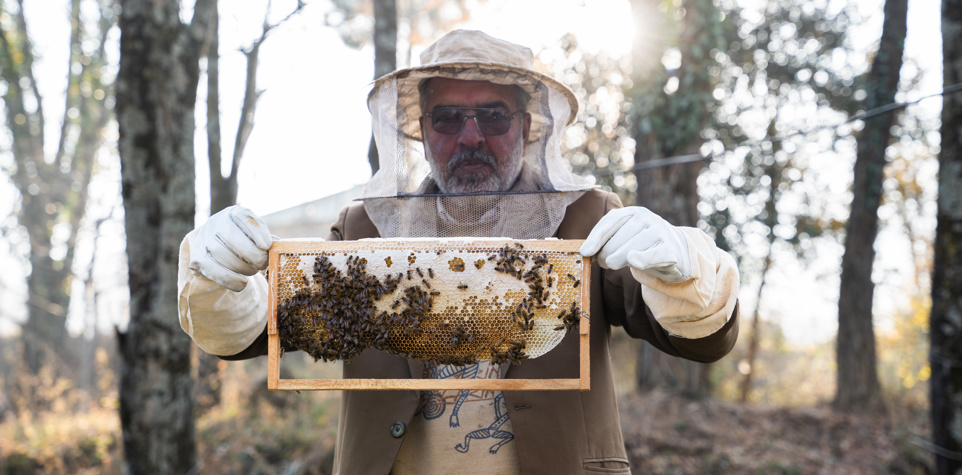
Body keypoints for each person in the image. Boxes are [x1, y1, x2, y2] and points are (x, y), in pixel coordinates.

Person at [178, 30, 739, 474]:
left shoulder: (586, 217)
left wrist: (688, 274)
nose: (470, 136)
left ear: (527, 127)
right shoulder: (364, 227)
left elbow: (698, 338)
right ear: (422, 131)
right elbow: (263, 329)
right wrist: (220, 281)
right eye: (448, 117)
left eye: (493, 115)